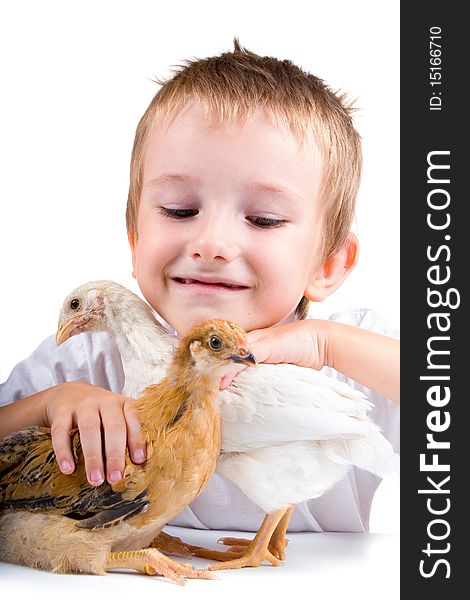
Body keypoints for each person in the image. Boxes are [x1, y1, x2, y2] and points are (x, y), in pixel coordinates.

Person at [0, 41, 399, 532]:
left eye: (264, 218)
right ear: (135, 238)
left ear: (330, 264)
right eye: (179, 211)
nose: (212, 244)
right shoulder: (91, 361)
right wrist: (48, 404)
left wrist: (328, 344)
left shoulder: (357, 366)